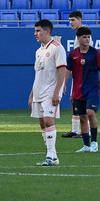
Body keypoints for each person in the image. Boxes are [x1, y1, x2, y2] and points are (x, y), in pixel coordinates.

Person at [28, 18, 68, 166]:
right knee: (42, 123)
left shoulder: (57, 48)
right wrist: (32, 95)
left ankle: (51, 155)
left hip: (50, 91)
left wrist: (56, 92)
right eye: (35, 31)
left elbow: (62, 70)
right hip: (38, 91)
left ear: (48, 31)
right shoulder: (39, 51)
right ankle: (53, 156)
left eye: (38, 31)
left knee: (48, 120)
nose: (35, 34)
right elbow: (37, 74)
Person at [67, 26, 100, 153]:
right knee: (83, 117)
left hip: (93, 89)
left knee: (90, 113)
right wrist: (63, 85)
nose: (87, 39)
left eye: (88, 37)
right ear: (78, 39)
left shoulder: (95, 53)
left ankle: (94, 142)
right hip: (78, 91)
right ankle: (86, 145)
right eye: (84, 37)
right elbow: (67, 71)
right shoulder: (73, 55)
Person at [61, 10, 85, 138]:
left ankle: (86, 130)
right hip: (77, 75)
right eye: (69, 20)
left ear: (80, 20)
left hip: (83, 75)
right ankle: (75, 129)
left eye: (73, 20)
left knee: (80, 101)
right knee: (73, 100)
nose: (71, 23)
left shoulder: (83, 34)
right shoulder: (78, 35)